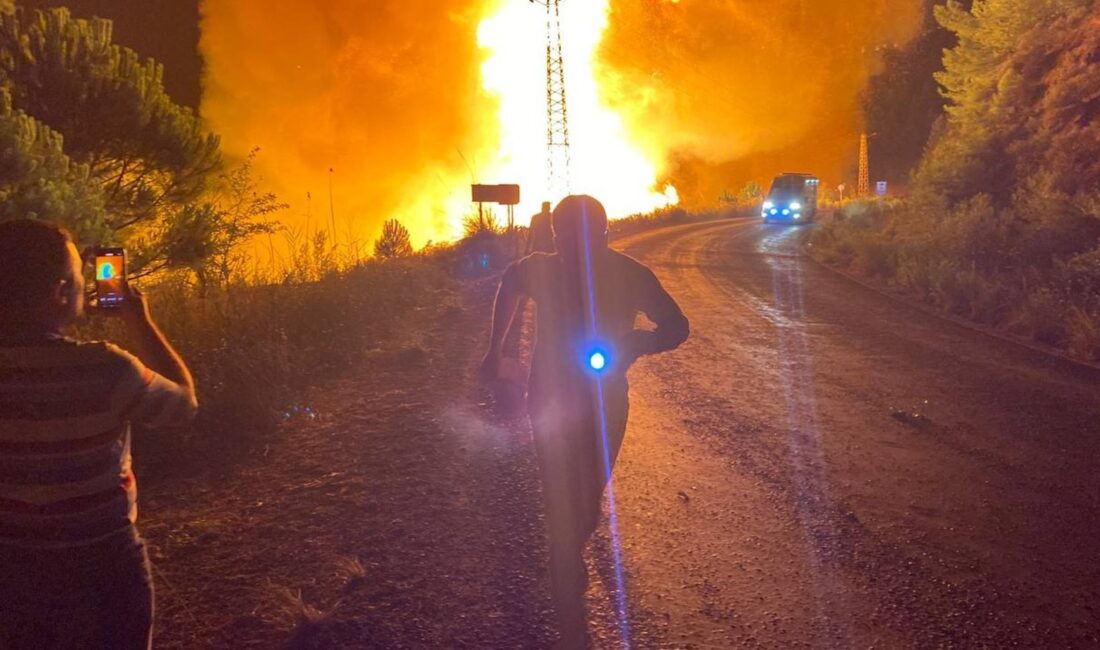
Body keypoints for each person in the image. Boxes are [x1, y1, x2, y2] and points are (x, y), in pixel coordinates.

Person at [479, 195, 689, 647]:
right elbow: (509, 285)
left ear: (605, 234)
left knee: (590, 484)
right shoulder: (543, 268)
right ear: (555, 237)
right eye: (565, 237)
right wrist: (495, 349)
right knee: (557, 478)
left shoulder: (631, 274)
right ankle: (565, 551)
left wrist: (635, 343)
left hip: (605, 399)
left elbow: (677, 327)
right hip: (552, 395)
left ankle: (568, 545)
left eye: (585, 236)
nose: (574, 246)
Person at [0, 219, 197, 649]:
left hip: (12, 572)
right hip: (103, 566)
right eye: (76, 278)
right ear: (58, 293)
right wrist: (139, 320)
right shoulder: (105, 368)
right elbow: (183, 405)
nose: (87, 286)